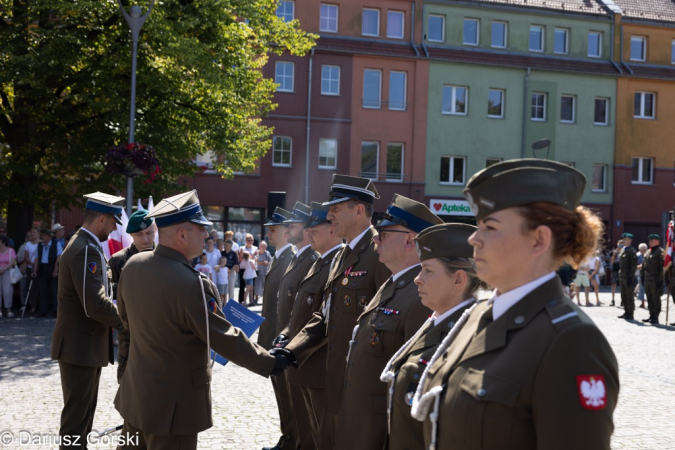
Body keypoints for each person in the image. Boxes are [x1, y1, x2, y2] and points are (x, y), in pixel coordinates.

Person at [411, 159, 619, 450]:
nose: (474, 238)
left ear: (538, 240)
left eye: (490, 227)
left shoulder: (572, 342)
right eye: (478, 225)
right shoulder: (477, 314)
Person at [114, 190, 290, 449]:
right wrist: (270, 361)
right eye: (201, 229)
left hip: (136, 396)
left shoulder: (132, 265)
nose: (207, 235)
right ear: (182, 234)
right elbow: (224, 338)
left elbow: (126, 322)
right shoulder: (191, 283)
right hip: (174, 407)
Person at [273, 174, 390, 448]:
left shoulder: (378, 253)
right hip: (334, 379)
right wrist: (292, 349)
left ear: (359, 210)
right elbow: (325, 315)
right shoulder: (341, 255)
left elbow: (388, 321)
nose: (329, 215)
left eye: (336, 209)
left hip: (363, 383)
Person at [336, 194, 442, 450]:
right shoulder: (393, 282)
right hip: (359, 422)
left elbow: (414, 380)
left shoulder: (421, 295)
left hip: (380, 430)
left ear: (409, 239)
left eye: (383, 234)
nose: (375, 238)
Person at [381, 223, 484, 450]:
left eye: (427, 270)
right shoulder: (435, 323)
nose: (418, 279)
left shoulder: (468, 335)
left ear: (458, 280)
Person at [51, 192, 126, 449]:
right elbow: (95, 304)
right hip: (79, 347)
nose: (116, 228)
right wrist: (131, 322)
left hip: (83, 346)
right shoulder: (86, 250)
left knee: (82, 420)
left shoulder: (87, 246)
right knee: (76, 423)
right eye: (114, 221)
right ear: (101, 219)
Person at [274, 202, 343, 449]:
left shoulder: (336, 263)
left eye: (315, 228)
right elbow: (298, 312)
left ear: (332, 230)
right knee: (307, 433)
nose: (309, 232)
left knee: (321, 436)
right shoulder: (319, 262)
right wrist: (284, 335)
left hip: (317, 363)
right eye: (309, 228)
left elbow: (324, 318)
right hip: (301, 359)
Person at [272, 202, 319, 450]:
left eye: (293, 225)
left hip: (299, 348)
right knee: (289, 402)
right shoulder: (296, 258)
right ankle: (289, 440)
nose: (288, 229)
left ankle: (295, 443)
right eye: (287, 225)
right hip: (286, 341)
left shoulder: (311, 259)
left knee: (301, 409)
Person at [257, 207, 296, 450]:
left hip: (282, 339)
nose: (269, 233)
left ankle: (292, 440)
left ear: (287, 232)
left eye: (274, 229)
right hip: (273, 336)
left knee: (288, 394)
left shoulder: (290, 258)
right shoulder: (279, 257)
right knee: (280, 393)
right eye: (269, 229)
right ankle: (287, 438)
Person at [109, 209, 157, 300]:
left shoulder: (165, 256)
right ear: (131, 234)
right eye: (139, 234)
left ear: (155, 229)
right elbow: (108, 291)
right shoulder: (117, 260)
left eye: (149, 233)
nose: (145, 239)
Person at [36, 229, 63, 317]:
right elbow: (37, 258)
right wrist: (35, 270)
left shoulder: (56, 244)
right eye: (42, 235)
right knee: (43, 290)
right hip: (43, 268)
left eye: (45, 235)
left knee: (54, 290)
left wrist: (56, 270)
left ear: (50, 237)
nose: (42, 237)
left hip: (52, 266)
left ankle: (55, 310)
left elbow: (58, 258)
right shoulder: (40, 245)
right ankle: (43, 310)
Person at [641, 234, 664, 324]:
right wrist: (642, 276)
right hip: (647, 279)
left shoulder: (660, 252)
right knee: (649, 298)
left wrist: (660, 280)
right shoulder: (648, 252)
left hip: (656, 280)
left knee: (656, 298)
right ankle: (651, 315)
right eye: (650, 240)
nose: (650, 242)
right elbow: (644, 265)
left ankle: (655, 317)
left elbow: (662, 268)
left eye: (653, 240)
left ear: (657, 241)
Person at [618, 232, 638, 320]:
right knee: (623, 295)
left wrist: (631, 276)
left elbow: (633, 265)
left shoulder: (632, 250)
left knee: (629, 295)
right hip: (622, 275)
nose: (625, 241)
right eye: (624, 239)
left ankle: (630, 313)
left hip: (628, 276)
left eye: (626, 239)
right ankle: (626, 311)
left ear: (630, 240)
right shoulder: (623, 249)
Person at [21, 227, 40, 313]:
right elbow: (26, 256)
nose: (32, 234)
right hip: (30, 267)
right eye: (31, 232)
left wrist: (37, 265)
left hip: (40, 268)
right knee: (31, 288)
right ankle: (33, 306)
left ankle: (41, 305)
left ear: (38, 234)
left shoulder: (41, 244)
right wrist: (33, 265)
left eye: (34, 232)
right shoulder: (28, 244)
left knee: (40, 288)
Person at [0, 234, 17, 318]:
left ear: (3, 242)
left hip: (7, 271)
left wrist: (4, 269)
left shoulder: (11, 251)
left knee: (7, 291)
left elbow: (12, 261)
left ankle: (8, 310)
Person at [238, 233, 258, 304]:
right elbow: (240, 259)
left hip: (252, 269)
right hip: (244, 268)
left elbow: (256, 258)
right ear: (246, 240)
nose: (250, 241)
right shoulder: (242, 248)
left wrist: (252, 257)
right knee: (243, 285)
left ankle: (251, 300)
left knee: (252, 286)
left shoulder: (255, 248)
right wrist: (250, 257)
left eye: (252, 240)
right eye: (249, 240)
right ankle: (242, 300)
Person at [609, 240, 622, 306]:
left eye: (621, 244)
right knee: (613, 284)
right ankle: (613, 300)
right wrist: (614, 255)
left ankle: (622, 300)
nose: (620, 246)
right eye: (619, 244)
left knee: (622, 285)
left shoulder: (624, 251)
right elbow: (612, 262)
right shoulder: (613, 252)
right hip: (615, 269)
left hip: (622, 270)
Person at [636, 243, 648, 309]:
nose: (643, 251)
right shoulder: (637, 255)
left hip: (649, 274)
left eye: (644, 250)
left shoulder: (649, 255)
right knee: (641, 289)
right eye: (642, 250)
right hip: (640, 273)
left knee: (649, 289)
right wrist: (639, 266)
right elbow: (635, 265)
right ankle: (642, 303)